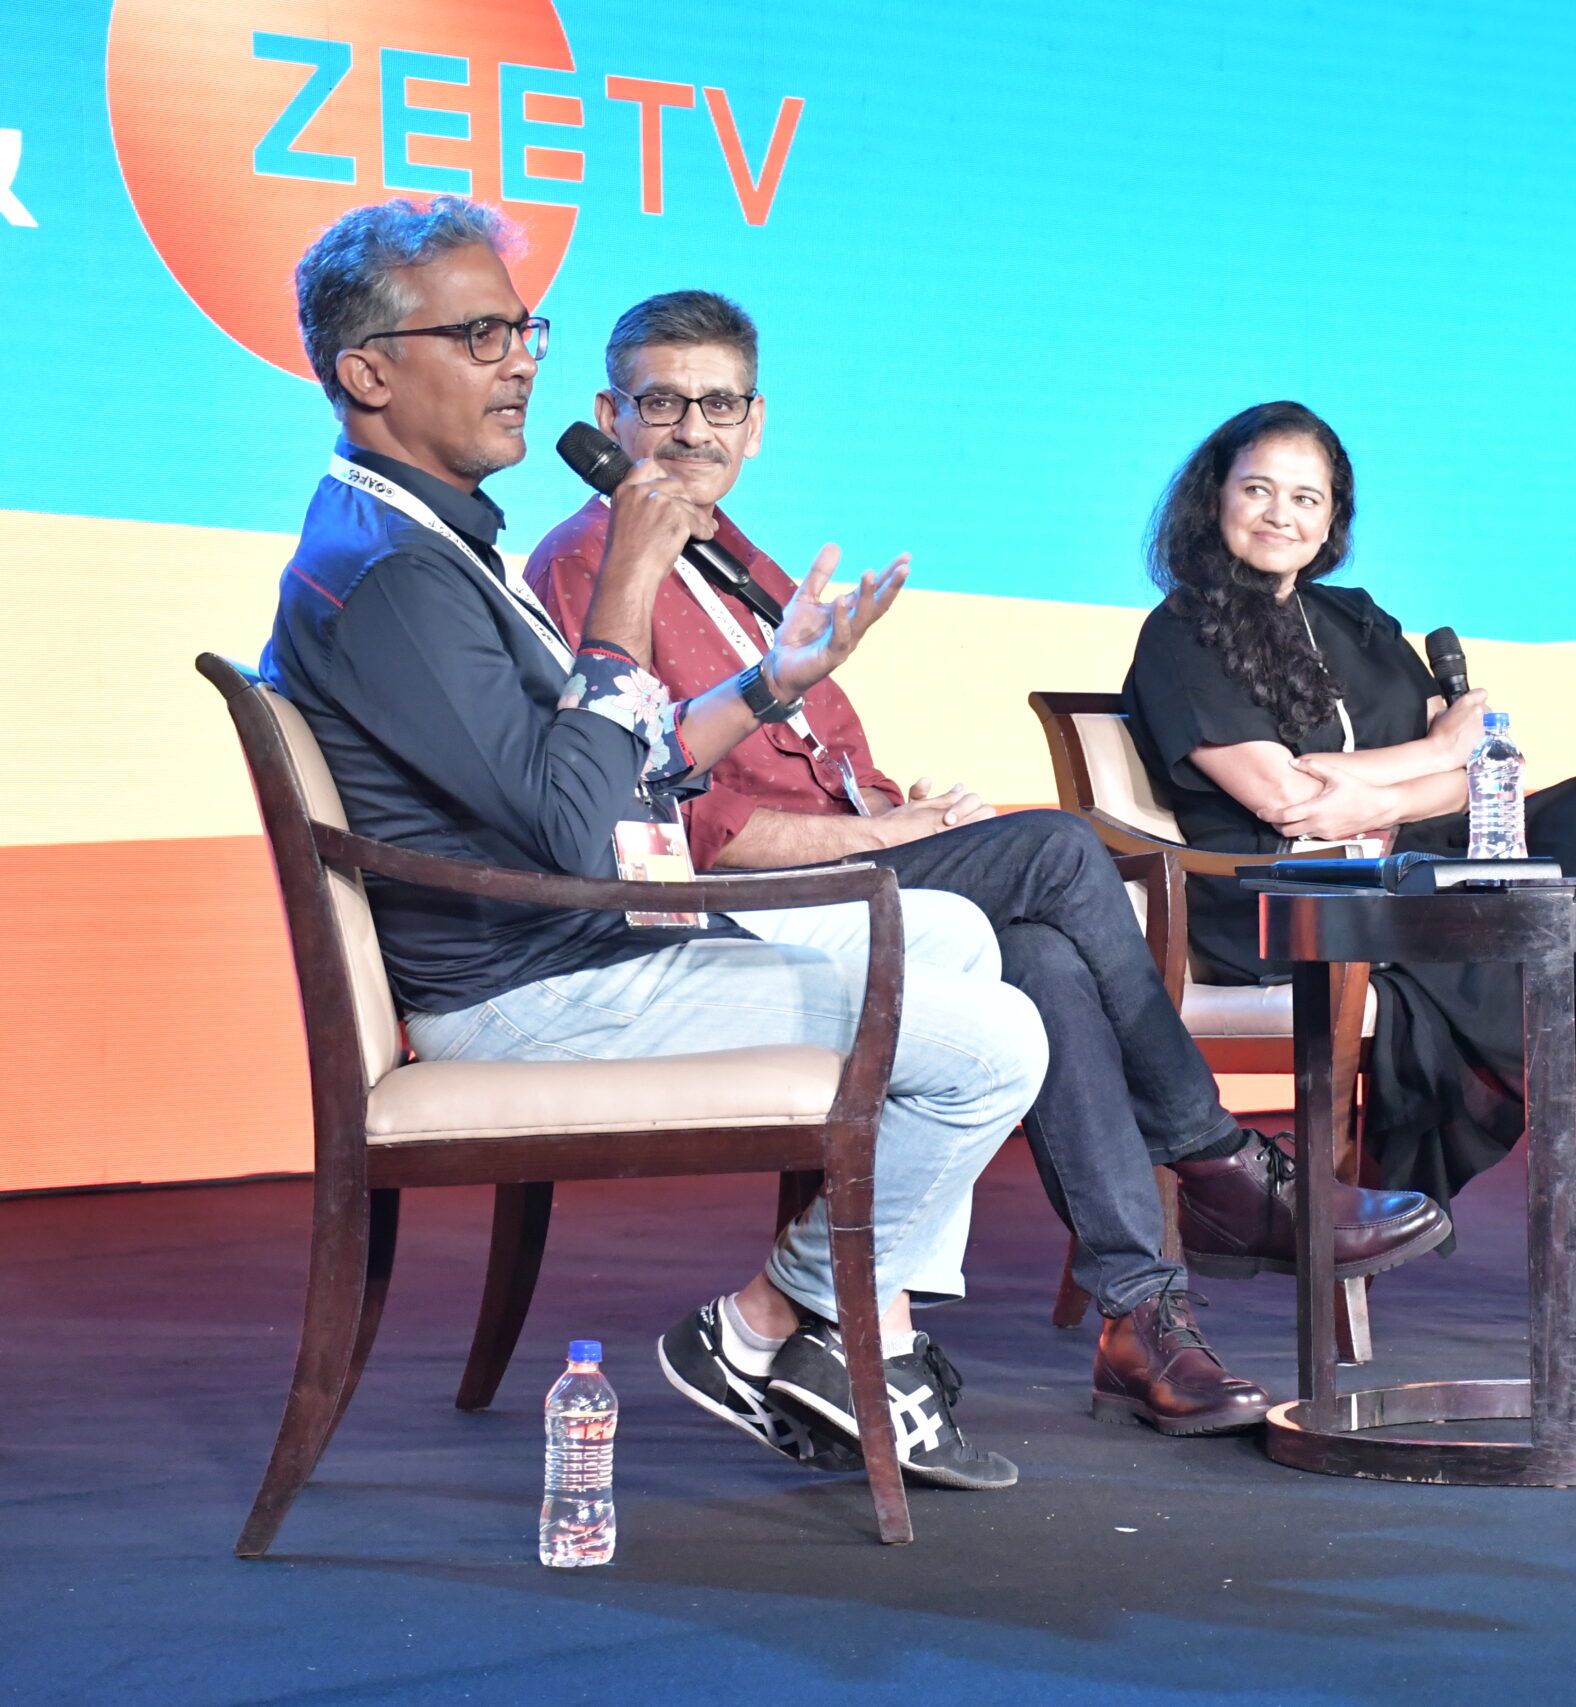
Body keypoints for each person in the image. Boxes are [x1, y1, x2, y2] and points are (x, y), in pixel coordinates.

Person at [526, 294, 1448, 1436]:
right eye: (662, 403)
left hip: (846, 867)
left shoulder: (738, 559)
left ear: (755, 424)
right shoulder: (589, 565)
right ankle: (1216, 1161)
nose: (692, 430)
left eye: (719, 405)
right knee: (1059, 848)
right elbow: (666, 815)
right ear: (608, 413)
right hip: (729, 907)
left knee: (1045, 959)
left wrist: (900, 807)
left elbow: (817, 763)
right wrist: (882, 837)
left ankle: (1142, 1316)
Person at [262, 196, 1047, 1492]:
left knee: (953, 929)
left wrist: (768, 686)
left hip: (576, 943)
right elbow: (581, 830)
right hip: (532, 989)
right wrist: (629, 581)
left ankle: (833, 1331)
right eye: (478, 334)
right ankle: (773, 1325)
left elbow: (596, 770)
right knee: (997, 1043)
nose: (519, 362)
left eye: (524, 329)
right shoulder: (393, 574)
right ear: (368, 373)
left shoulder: (425, 538)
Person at [1121, 401, 1576, 1354]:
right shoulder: (1180, 635)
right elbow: (1283, 800)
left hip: (1413, 870)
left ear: (1333, 519)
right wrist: (1430, 754)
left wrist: (1373, 790)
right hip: (1285, 902)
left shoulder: (1358, 620)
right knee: (1562, 946)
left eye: (1306, 498)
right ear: (1215, 500)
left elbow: (1483, 778)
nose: (1281, 514)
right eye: (1258, 490)